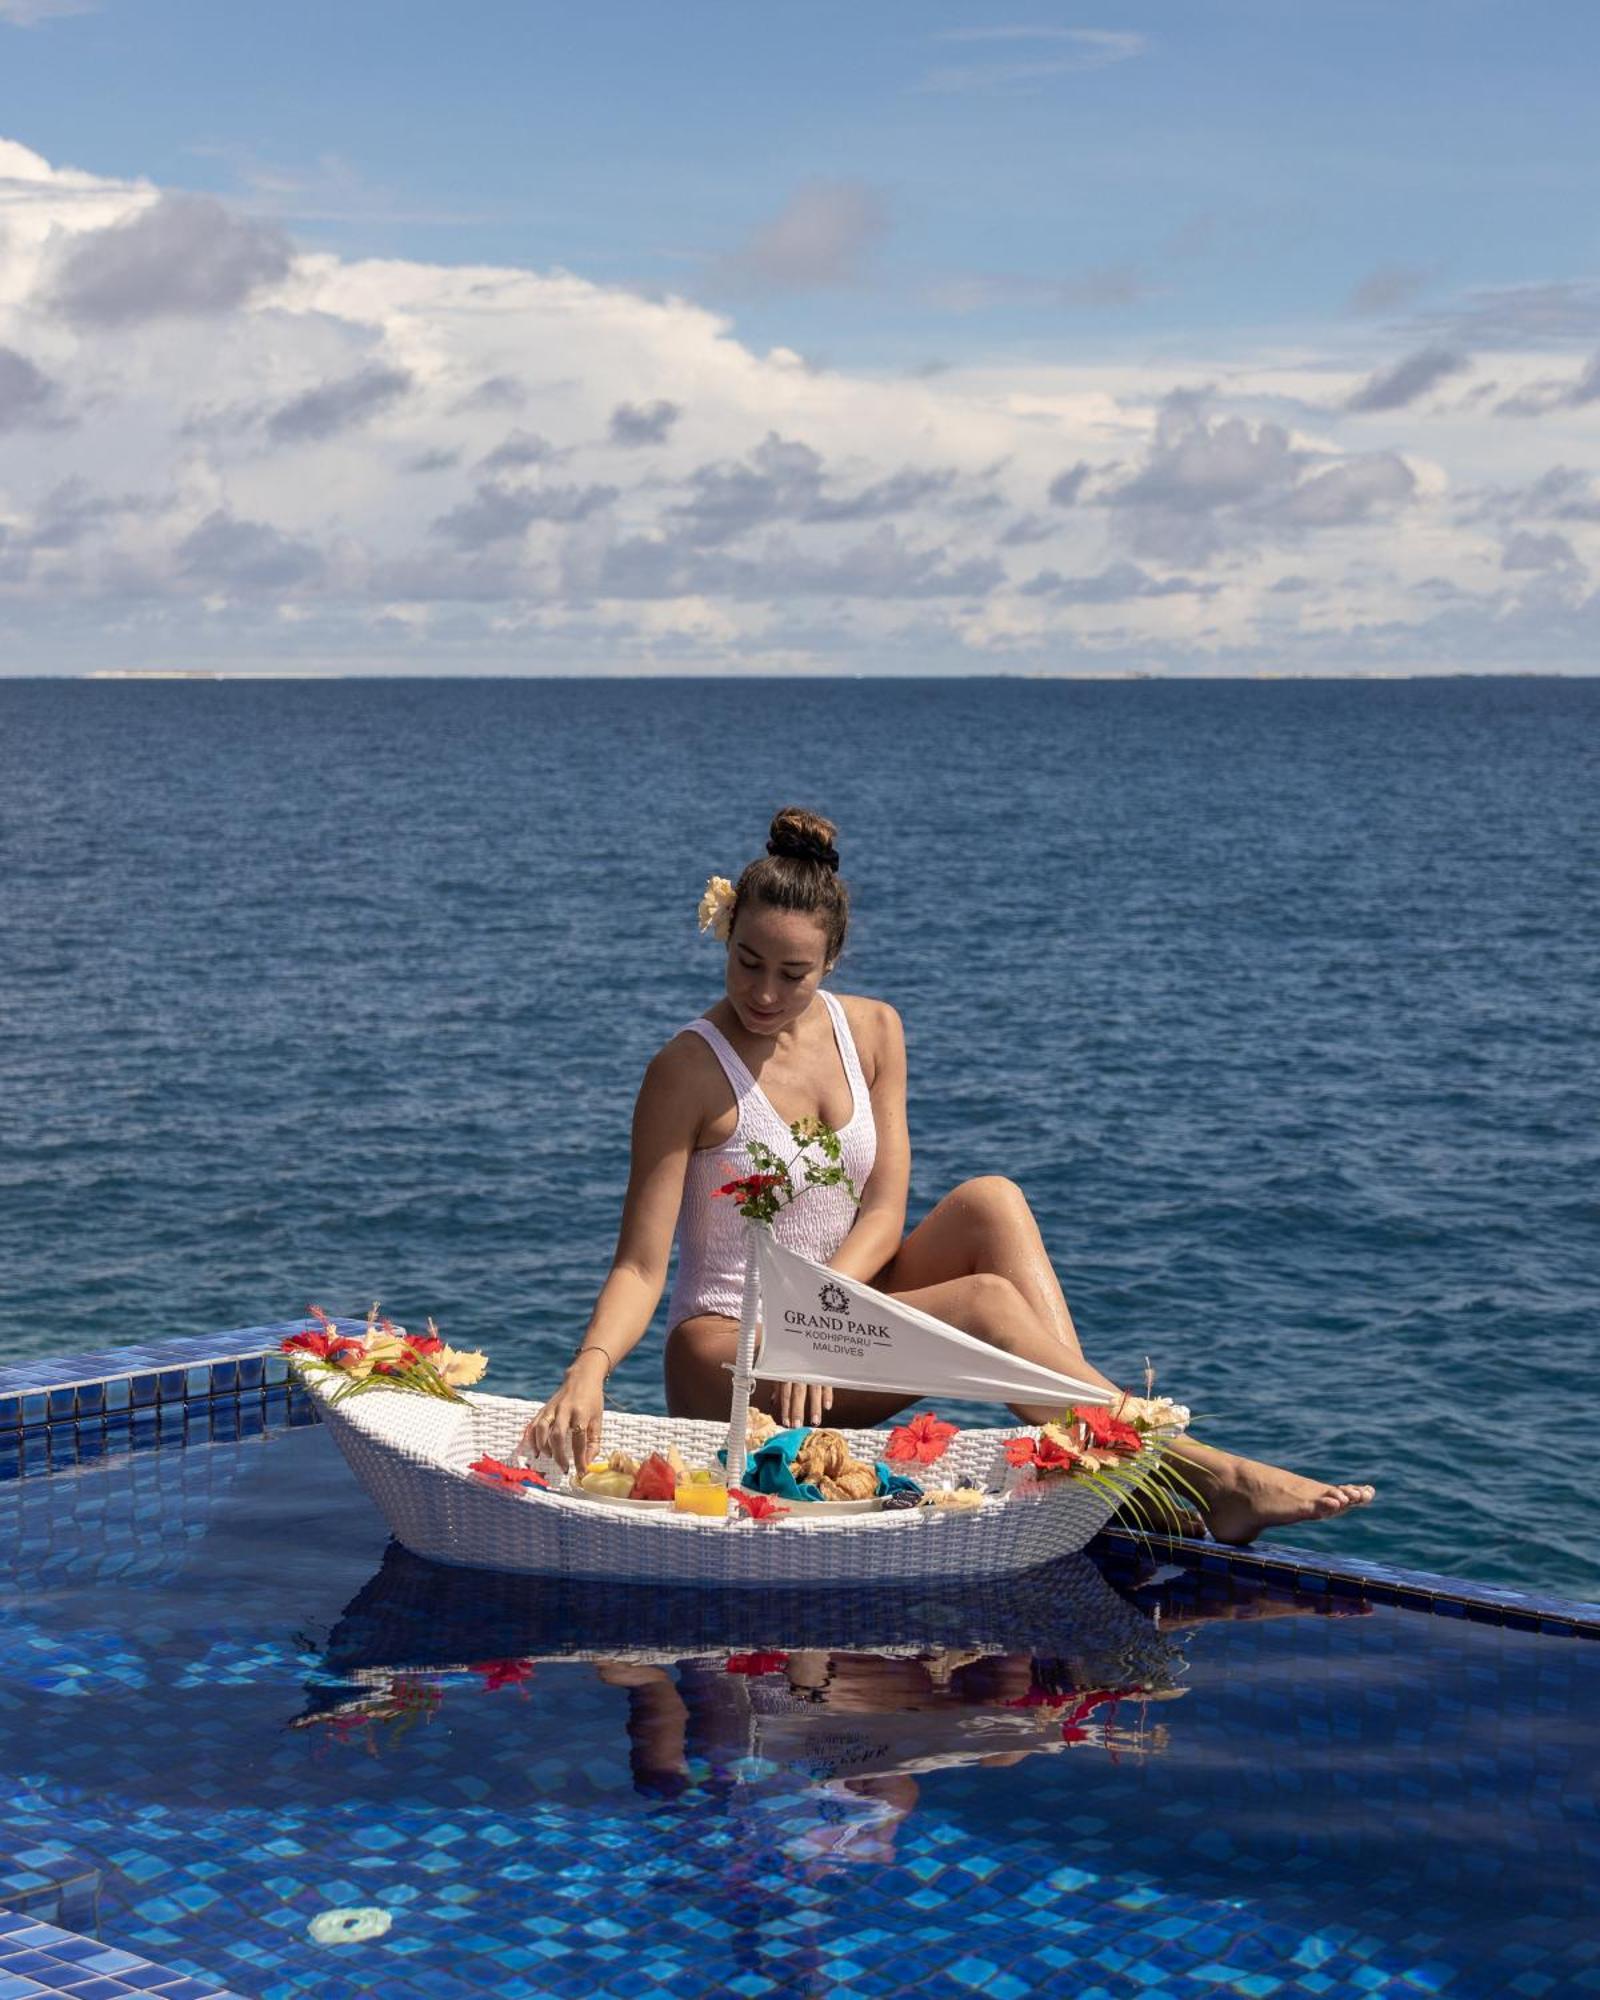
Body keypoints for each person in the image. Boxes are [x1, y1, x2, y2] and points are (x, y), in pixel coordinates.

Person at [523, 807, 1374, 1544]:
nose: (766, 993)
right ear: (725, 931)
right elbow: (641, 1264)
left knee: (991, 1203)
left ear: (834, 961)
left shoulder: (876, 1033)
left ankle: (1095, 1465)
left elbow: (885, 1213)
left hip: (828, 1322)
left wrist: (822, 1312)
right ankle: (1198, 1473)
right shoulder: (686, 1069)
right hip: (730, 1351)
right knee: (982, 1306)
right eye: (747, 961)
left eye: (794, 973)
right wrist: (589, 1369)